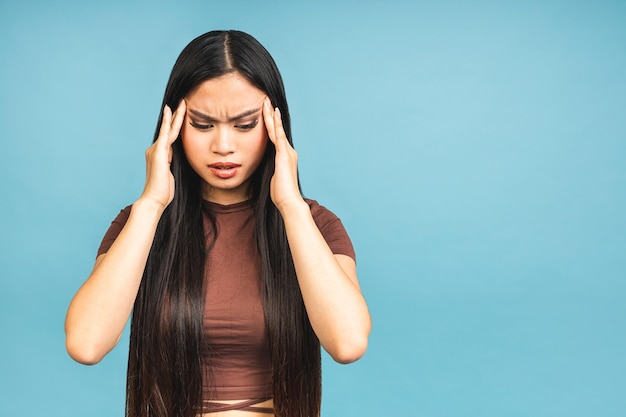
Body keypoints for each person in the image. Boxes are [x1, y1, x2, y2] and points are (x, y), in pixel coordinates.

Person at [65, 30, 371, 417]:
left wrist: (291, 205)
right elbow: (85, 344)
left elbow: (348, 343)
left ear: (274, 125)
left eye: (244, 125)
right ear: (172, 126)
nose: (223, 145)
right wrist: (152, 202)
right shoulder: (140, 224)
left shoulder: (315, 226)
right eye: (203, 124)